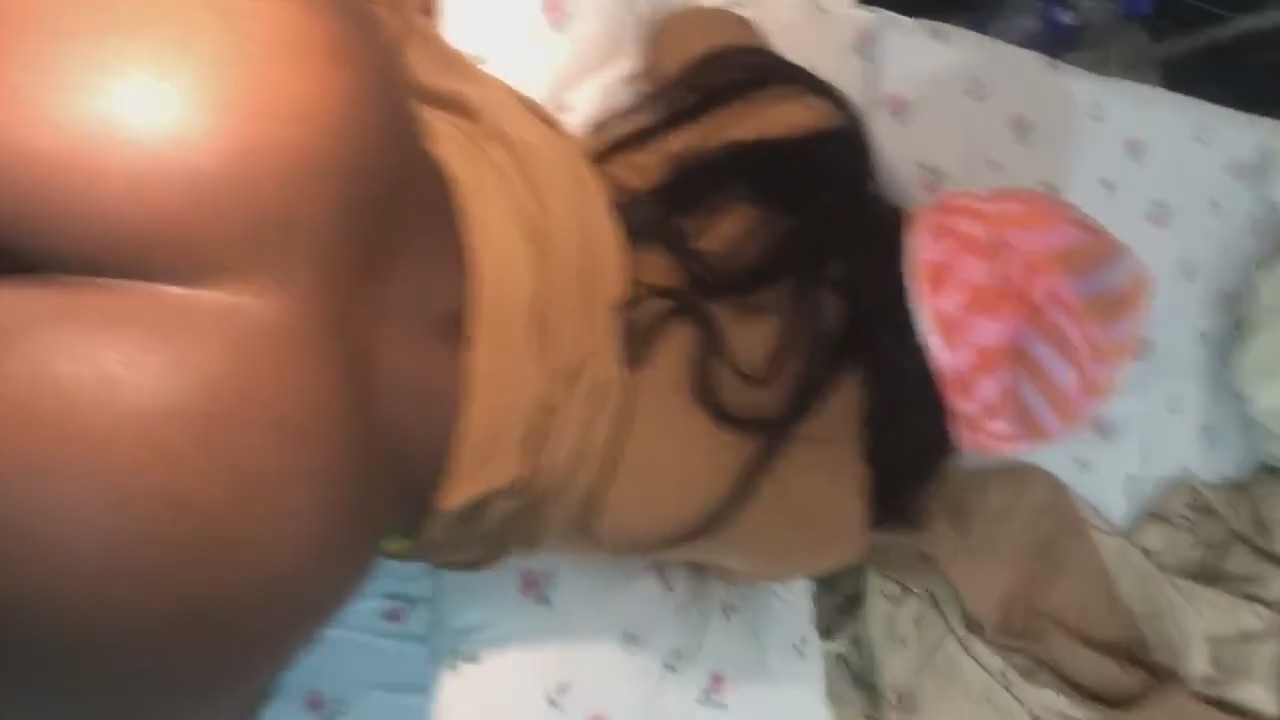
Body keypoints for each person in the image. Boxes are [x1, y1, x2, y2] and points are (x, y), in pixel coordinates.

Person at [0, 0, 1146, 716]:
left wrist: (833, 162)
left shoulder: (791, 144)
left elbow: (697, 28)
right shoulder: (829, 514)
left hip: (299, 118)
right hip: (281, 502)